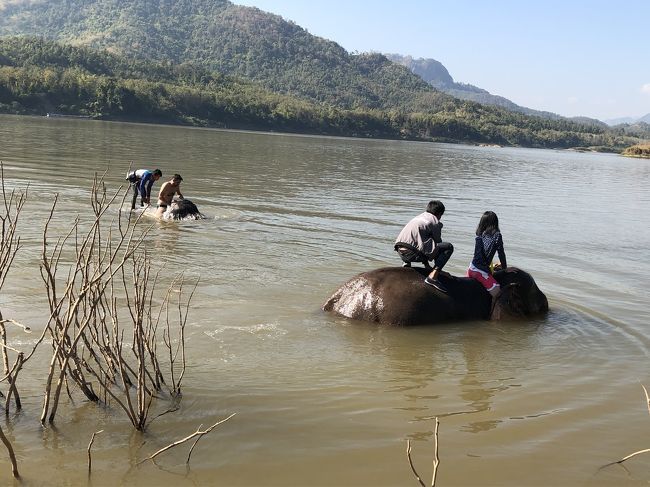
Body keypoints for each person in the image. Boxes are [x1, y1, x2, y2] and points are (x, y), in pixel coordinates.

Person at [394, 200, 454, 293]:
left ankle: (407, 264)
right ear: (439, 214)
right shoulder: (434, 221)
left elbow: (422, 241)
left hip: (400, 251)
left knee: (422, 241)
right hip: (412, 253)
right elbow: (437, 243)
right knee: (448, 247)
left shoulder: (418, 217)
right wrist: (438, 266)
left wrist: (426, 265)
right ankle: (433, 277)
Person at [466, 211, 507, 308]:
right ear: (495, 222)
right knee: (499, 294)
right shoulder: (497, 235)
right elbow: (501, 253)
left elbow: (482, 254)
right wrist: (505, 269)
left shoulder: (480, 234)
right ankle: (490, 315)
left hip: (471, 268)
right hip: (480, 271)